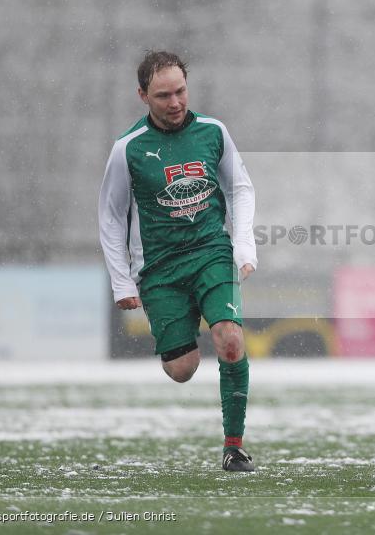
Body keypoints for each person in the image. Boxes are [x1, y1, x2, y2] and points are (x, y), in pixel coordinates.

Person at [99, 50, 258, 471]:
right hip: (160, 268)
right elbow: (111, 216)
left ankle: (234, 446)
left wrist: (243, 246)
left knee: (230, 339)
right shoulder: (127, 149)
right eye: (163, 95)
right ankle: (184, 327)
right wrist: (122, 282)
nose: (175, 103)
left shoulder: (213, 132)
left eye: (181, 91)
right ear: (142, 96)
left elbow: (241, 188)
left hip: (211, 251)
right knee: (182, 369)